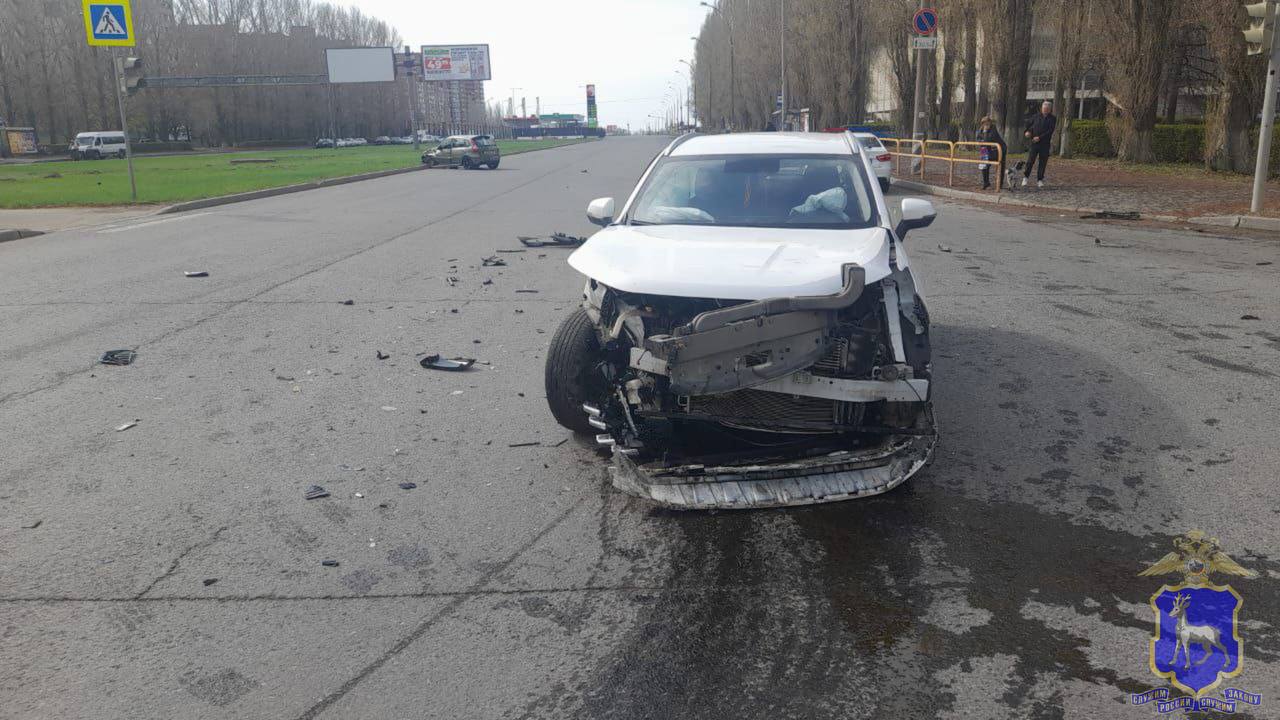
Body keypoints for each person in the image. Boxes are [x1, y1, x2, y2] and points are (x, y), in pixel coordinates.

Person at [1022, 101, 1057, 188]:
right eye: (1043, 108)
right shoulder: (1036, 116)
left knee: (1042, 162)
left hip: (1045, 143)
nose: (1045, 110)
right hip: (1034, 143)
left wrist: (1040, 137)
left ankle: (1040, 179)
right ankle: (1025, 177)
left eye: (1047, 109)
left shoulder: (1052, 118)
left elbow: (1050, 131)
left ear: (1050, 109)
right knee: (1030, 161)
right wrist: (1027, 132)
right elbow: (1028, 125)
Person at [975, 116, 1006, 190]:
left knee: (1000, 165)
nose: (986, 126)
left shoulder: (993, 129)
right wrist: (981, 141)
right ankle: (986, 182)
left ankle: (1000, 183)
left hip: (998, 149)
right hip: (985, 149)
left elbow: (989, 139)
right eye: (984, 124)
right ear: (982, 124)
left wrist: (985, 133)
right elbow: (978, 139)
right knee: (984, 165)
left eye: (988, 124)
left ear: (990, 123)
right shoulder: (980, 130)